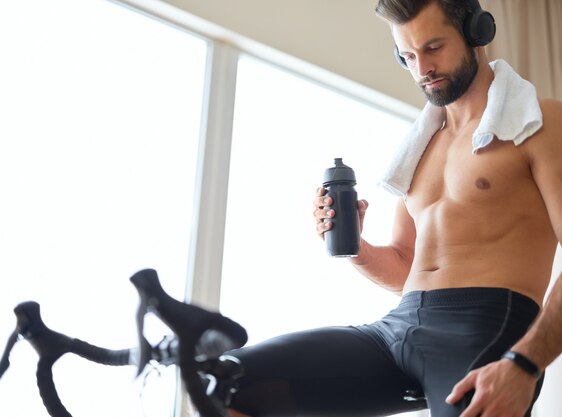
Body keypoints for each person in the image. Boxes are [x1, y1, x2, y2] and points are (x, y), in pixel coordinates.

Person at [223, 1, 562, 416]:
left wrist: (525, 363)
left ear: (477, 32)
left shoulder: (540, 123)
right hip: (396, 329)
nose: (422, 69)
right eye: (408, 56)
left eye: (434, 47)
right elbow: (405, 264)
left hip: (484, 329)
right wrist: (358, 249)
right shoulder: (422, 145)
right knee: (228, 382)